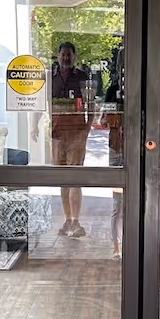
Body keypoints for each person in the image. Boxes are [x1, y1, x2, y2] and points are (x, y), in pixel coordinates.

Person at [48, 40, 93, 237]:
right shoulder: (51, 78)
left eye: (69, 54)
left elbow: (91, 104)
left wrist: (87, 129)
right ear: (58, 56)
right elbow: (45, 103)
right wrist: (35, 125)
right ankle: (67, 220)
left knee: (75, 179)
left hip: (76, 135)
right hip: (57, 136)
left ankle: (77, 221)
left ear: (74, 57)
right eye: (63, 54)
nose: (66, 57)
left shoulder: (82, 77)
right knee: (63, 180)